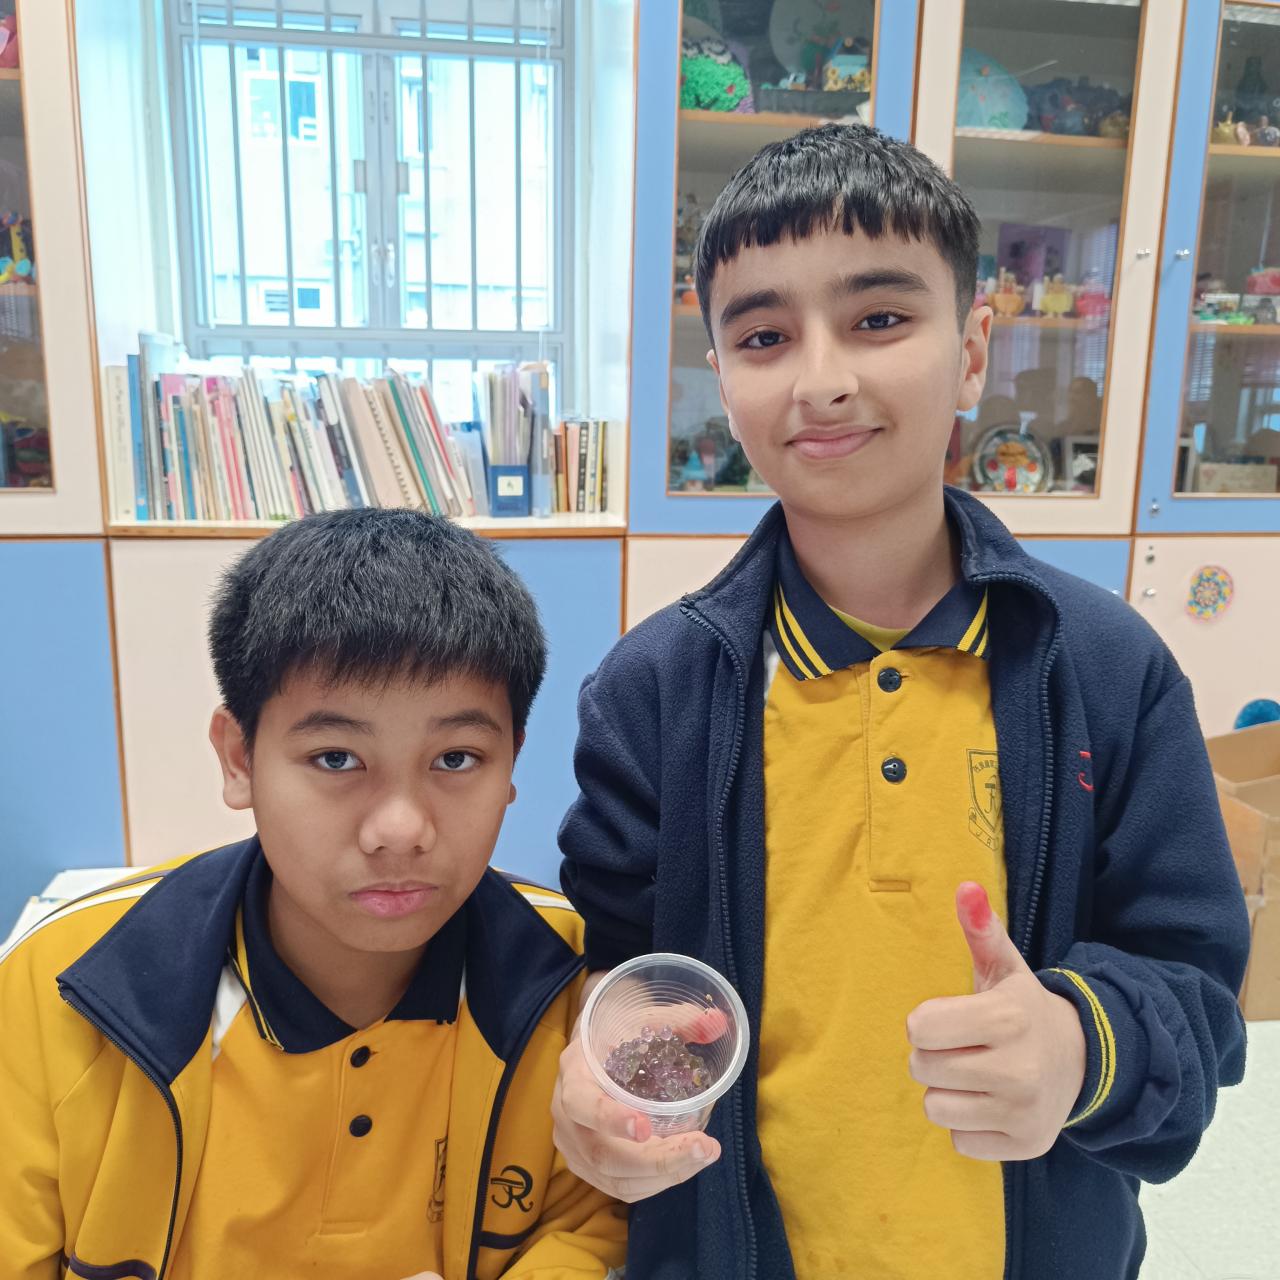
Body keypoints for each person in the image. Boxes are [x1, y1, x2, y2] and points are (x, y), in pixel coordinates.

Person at [553, 123, 1250, 1279]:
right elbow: (611, 964)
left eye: (878, 318)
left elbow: (1195, 988)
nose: (821, 378)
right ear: (721, 379)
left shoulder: (1105, 667)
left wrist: (1076, 1044)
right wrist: (592, 1075)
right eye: (763, 336)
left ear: (971, 351)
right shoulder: (650, 691)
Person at [0, 509, 626, 1279]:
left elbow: (590, 1231)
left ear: (511, 764)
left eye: (456, 758)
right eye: (336, 758)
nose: (401, 830)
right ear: (240, 759)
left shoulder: (578, 984)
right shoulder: (58, 986)